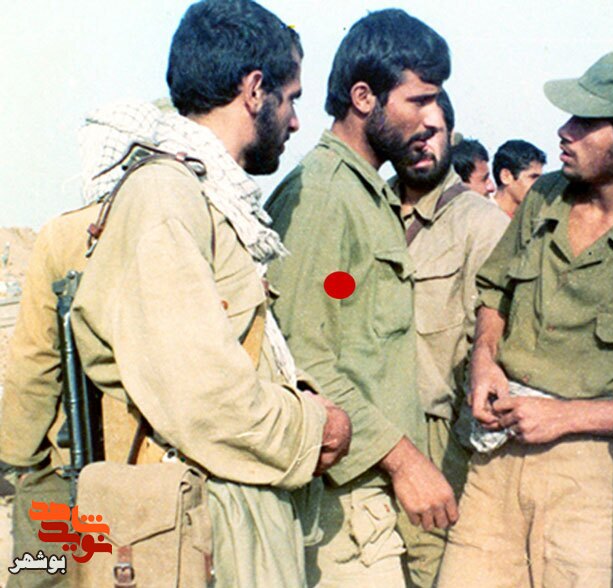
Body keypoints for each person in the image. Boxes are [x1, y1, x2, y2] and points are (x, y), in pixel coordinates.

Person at [68, 1, 351, 585]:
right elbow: (202, 394)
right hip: (208, 525)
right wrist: (313, 428)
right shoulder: (165, 196)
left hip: (233, 514)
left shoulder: (206, 197)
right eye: (291, 98)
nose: (296, 122)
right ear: (255, 90)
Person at [437, 50, 613, 588]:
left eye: (586, 121)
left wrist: (565, 418)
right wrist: (485, 360)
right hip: (496, 457)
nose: (565, 130)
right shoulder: (543, 198)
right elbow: (495, 292)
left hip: (597, 481)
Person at [265, 9, 458, 587]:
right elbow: (303, 355)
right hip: (340, 508)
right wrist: (405, 461)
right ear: (364, 97)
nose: (431, 118)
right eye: (418, 100)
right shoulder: (324, 197)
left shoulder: (364, 193)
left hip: (369, 498)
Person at [388, 90, 510, 587]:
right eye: (409, 133)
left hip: (438, 440)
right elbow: (339, 290)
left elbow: (496, 340)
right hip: (373, 429)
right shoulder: (370, 209)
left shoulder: (482, 224)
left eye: (432, 132)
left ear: (451, 136)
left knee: (429, 570)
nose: (421, 144)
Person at [0, 204, 96, 588]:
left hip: (74, 464)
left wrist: (16, 456)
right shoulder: (211, 220)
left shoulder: (69, 234)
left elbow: (36, 362)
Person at [491, 139, 546, 218]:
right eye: (533, 177)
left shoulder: (531, 219)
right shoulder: (481, 216)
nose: (540, 185)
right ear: (506, 176)